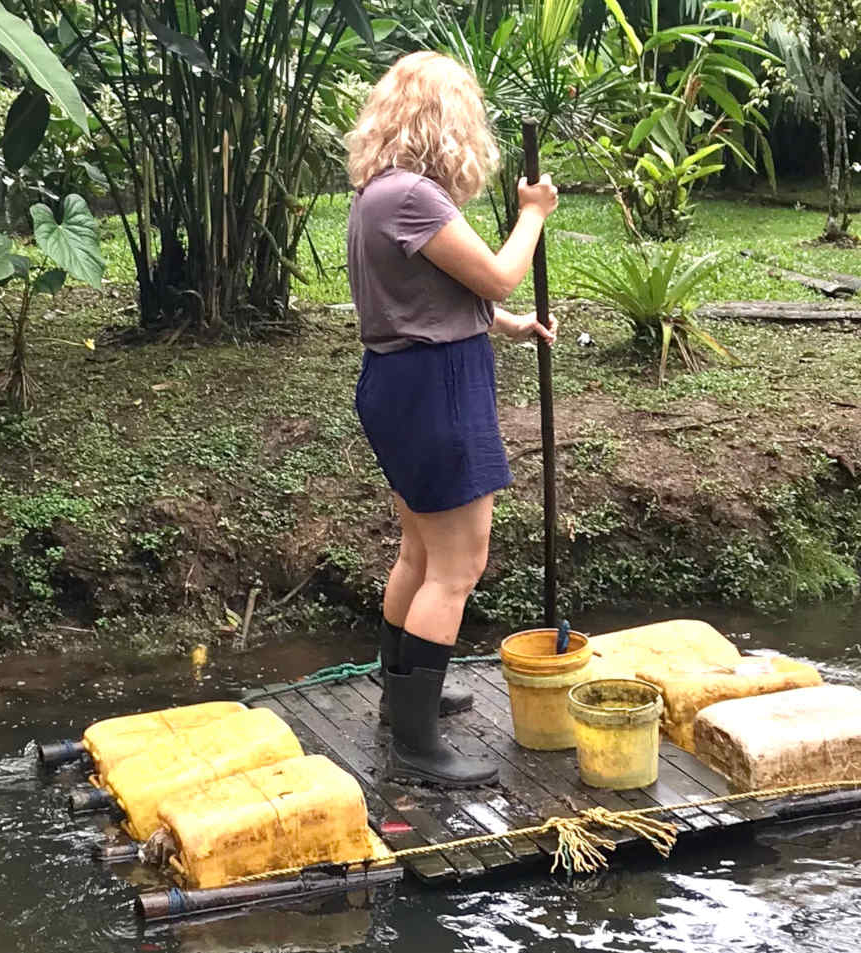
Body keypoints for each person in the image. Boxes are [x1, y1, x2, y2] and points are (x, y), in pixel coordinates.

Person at [344, 51, 559, 787]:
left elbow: (433, 296)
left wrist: (506, 324)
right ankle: (416, 746)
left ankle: (404, 700)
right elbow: (497, 269)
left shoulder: (380, 192)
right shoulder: (415, 198)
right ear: (446, 120)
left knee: (419, 551)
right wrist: (533, 214)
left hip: (401, 380)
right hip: (436, 387)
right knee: (458, 565)